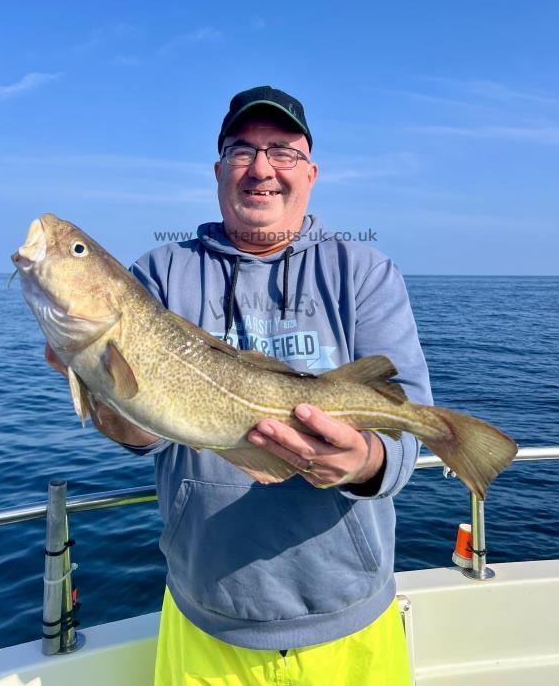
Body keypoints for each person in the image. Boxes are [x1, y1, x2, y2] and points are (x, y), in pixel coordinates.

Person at [90, 86, 431, 684]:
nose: (262, 169)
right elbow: (145, 434)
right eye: (241, 151)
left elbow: (406, 433)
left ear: (311, 172)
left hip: (350, 617)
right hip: (206, 617)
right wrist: (101, 384)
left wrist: (362, 462)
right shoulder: (159, 274)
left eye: (283, 151)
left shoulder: (366, 272)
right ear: (219, 170)